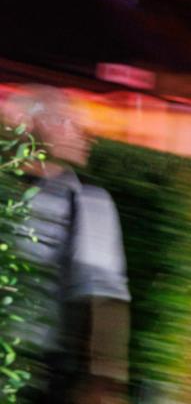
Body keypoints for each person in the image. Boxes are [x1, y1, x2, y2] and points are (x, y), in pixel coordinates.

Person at [3, 86, 130, 403]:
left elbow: (106, 298)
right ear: (33, 127)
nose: (86, 136)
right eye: (70, 122)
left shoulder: (87, 204)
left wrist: (103, 379)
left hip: (34, 368)